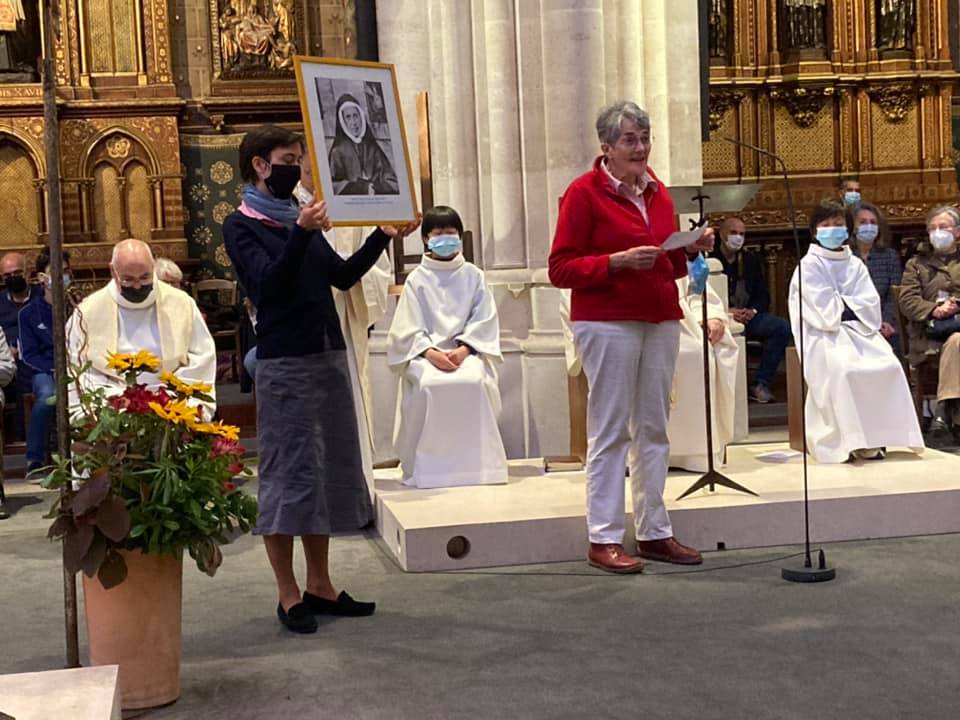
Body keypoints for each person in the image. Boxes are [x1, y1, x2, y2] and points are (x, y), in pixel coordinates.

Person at [222, 124, 417, 634]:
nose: (297, 169)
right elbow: (268, 286)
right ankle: (288, 594)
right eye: (288, 160)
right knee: (287, 478)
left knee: (323, 474)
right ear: (260, 165)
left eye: (298, 161)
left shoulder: (300, 218)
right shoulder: (241, 225)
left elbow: (343, 275)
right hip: (284, 362)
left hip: (327, 354)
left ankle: (321, 585)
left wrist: (382, 234)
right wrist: (303, 233)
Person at [548, 100, 714, 574]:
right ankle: (603, 537)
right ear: (606, 147)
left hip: (659, 316)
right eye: (629, 140)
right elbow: (560, 268)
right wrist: (615, 263)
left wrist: (690, 249)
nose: (640, 148)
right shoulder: (583, 193)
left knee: (654, 428)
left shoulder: (658, 192)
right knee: (611, 430)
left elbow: (668, 263)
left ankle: (654, 530)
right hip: (607, 320)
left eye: (645, 139)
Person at [788, 200, 923, 463]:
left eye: (838, 224)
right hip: (824, 334)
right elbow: (820, 309)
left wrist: (844, 303)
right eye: (826, 224)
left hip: (859, 330)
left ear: (847, 228)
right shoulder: (809, 265)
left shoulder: (855, 264)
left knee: (889, 364)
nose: (833, 229)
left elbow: (869, 301)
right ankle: (849, 440)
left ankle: (878, 437)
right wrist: (848, 303)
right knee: (844, 369)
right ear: (814, 231)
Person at [387, 205, 507, 488]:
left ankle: (480, 468)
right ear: (426, 239)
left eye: (451, 232)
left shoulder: (474, 276)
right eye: (438, 233)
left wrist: (464, 349)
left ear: (460, 236)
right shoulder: (417, 279)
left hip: (465, 352)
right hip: (426, 355)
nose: (446, 238)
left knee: (476, 381)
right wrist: (431, 353)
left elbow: (484, 318)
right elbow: (407, 327)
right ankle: (429, 470)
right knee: (429, 385)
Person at [294, 156, 391, 498]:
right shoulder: (287, 205)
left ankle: (354, 488)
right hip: (303, 321)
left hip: (346, 317)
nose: (315, 175)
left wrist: (348, 283)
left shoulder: (351, 205)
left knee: (349, 400)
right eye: (307, 168)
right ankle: (314, 490)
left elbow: (378, 270)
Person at [66, 239, 216, 417]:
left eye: (145, 277)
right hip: (115, 406)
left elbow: (201, 357)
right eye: (128, 280)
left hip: (172, 404)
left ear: (153, 268)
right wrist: (119, 401)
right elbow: (79, 367)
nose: (137, 286)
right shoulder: (88, 311)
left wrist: (171, 399)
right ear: (113, 271)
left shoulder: (182, 304)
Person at [666, 273, 741, 472]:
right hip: (635, 320)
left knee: (698, 353)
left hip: (682, 321)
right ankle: (641, 455)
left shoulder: (682, 258)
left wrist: (712, 316)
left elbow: (697, 293)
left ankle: (697, 454)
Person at [712, 216, 791, 403]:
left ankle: (761, 383)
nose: (738, 238)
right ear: (722, 234)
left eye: (742, 234)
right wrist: (728, 311)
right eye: (733, 233)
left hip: (747, 317)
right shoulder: (710, 260)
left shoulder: (750, 260)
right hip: (719, 317)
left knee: (781, 327)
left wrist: (752, 311)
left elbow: (763, 295)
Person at [898, 205, 960, 431]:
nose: (937, 232)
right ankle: (952, 414)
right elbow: (907, 300)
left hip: (957, 326)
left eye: (943, 227)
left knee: (957, 341)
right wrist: (934, 309)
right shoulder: (916, 264)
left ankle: (944, 409)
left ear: (957, 231)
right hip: (928, 334)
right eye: (932, 228)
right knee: (957, 342)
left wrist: (956, 304)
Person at [18, 249, 71, 473]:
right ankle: (35, 459)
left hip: (77, 367)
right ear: (42, 277)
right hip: (45, 369)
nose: (63, 276)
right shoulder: (28, 314)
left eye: (66, 271)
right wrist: (53, 368)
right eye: (57, 272)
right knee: (47, 397)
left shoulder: (79, 307)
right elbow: (28, 354)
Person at [848, 201, 902, 354]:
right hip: (852, 322)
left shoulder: (889, 256)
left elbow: (893, 294)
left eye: (873, 222)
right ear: (852, 227)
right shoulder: (844, 257)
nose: (869, 226)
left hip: (883, 323)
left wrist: (886, 321)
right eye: (863, 222)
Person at [0, 251, 41, 438]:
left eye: (17, 273)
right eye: (7, 275)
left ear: (28, 272)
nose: (13, 278)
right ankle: (19, 438)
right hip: (7, 361)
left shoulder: (42, 297)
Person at [328, 93, 399, 196]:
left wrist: (377, 187)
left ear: (361, 117)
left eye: (355, 116)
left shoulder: (372, 148)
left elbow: (392, 181)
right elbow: (331, 186)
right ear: (343, 122)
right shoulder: (337, 152)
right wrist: (357, 188)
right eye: (348, 117)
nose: (353, 122)